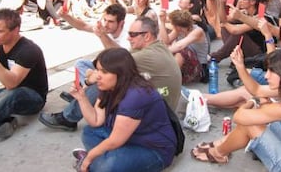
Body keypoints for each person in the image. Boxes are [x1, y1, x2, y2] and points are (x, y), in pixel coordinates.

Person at [191, 48, 281, 172]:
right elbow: (257, 89)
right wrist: (240, 66)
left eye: (271, 71)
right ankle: (222, 147)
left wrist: (250, 102)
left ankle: (218, 153)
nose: (266, 76)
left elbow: (238, 117)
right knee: (258, 118)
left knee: (251, 125)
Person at [39, 16, 181, 131]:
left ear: (147, 36)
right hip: (155, 97)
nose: (128, 38)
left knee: (102, 82)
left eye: (132, 35)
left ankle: (69, 117)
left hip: (156, 112)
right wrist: (101, 36)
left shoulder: (146, 56)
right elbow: (119, 54)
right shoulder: (156, 46)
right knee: (83, 64)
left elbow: (113, 62)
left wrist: (91, 76)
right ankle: (83, 100)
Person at [71, 48, 176, 172]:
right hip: (126, 139)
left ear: (121, 73)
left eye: (104, 72)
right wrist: (81, 97)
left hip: (153, 149)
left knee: (108, 167)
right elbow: (96, 121)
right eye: (97, 69)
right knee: (89, 132)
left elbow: (116, 140)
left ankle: (95, 161)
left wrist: (90, 156)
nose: (97, 76)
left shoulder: (136, 95)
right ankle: (103, 159)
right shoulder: (109, 87)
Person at [0, 8, 48, 139]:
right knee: (7, 94)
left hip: (33, 98)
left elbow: (11, 84)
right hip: (10, 91)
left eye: (0, 31)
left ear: (15, 30)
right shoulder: (0, 44)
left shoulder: (29, 50)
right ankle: (4, 124)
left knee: (12, 93)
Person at [159, 9, 208, 84]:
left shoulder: (198, 31)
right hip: (186, 66)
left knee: (182, 51)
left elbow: (180, 46)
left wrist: (158, 51)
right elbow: (165, 41)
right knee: (167, 47)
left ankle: (167, 79)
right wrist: (162, 22)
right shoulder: (178, 30)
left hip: (199, 68)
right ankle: (163, 75)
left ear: (177, 26)